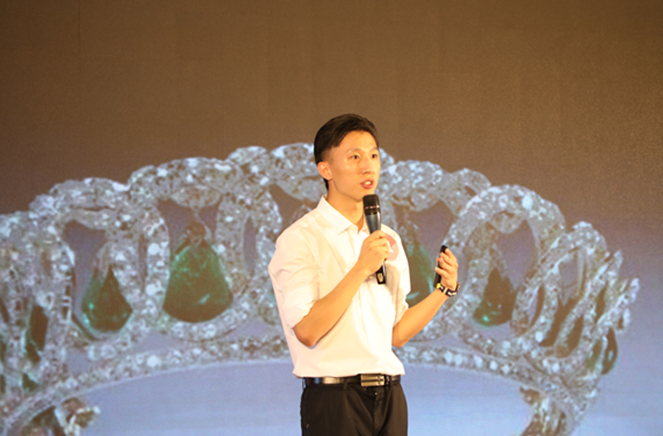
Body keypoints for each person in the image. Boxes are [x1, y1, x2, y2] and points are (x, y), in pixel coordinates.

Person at [268, 114, 459, 436]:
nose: (368, 167)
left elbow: (397, 334)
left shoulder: (388, 239)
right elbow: (307, 331)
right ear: (325, 170)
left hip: (390, 396)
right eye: (354, 157)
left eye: (373, 155)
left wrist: (444, 290)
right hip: (334, 399)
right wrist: (360, 269)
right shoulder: (300, 239)